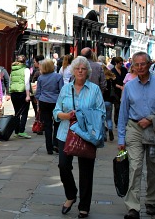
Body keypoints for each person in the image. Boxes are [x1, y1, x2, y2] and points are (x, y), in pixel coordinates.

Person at [117, 51, 155, 219]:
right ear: (132, 66)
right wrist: (121, 138)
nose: (140, 67)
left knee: (154, 168)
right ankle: (133, 207)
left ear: (149, 64)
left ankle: (151, 201)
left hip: (154, 130)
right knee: (135, 167)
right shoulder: (129, 86)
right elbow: (123, 113)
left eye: (143, 64)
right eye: (137, 64)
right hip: (134, 129)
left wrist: (150, 119)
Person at [54, 56, 105, 218]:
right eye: (77, 68)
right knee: (63, 166)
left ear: (88, 71)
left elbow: (101, 112)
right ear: (73, 71)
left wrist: (84, 116)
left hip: (86, 134)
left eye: (83, 68)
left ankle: (84, 206)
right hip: (65, 132)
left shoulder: (94, 90)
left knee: (86, 171)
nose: (80, 71)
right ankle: (71, 195)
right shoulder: (65, 89)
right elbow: (56, 112)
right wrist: (66, 115)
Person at [35, 58, 64, 154]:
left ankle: (49, 147)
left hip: (44, 102)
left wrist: (38, 103)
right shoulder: (58, 77)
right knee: (57, 124)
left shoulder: (40, 78)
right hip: (56, 102)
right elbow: (62, 91)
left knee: (47, 125)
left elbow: (38, 93)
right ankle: (56, 143)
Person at [8, 55, 32, 139]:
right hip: (22, 92)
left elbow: (10, 81)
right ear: (25, 61)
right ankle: (22, 131)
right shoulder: (26, 70)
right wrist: (28, 95)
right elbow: (26, 83)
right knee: (24, 112)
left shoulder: (13, 69)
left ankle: (16, 131)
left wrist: (9, 92)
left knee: (17, 112)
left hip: (14, 92)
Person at [111, 56, 128, 130]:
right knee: (117, 107)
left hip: (124, 90)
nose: (121, 65)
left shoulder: (124, 70)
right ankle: (117, 122)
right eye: (120, 64)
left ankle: (123, 120)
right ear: (116, 63)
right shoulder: (112, 71)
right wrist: (120, 87)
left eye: (122, 63)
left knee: (124, 106)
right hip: (116, 91)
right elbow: (112, 83)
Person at [102, 65, 118, 141]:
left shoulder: (101, 81)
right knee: (108, 118)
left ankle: (104, 136)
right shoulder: (110, 80)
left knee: (101, 119)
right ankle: (110, 129)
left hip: (101, 102)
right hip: (109, 101)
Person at [30, 55, 45, 130]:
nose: (34, 63)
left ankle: (39, 126)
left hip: (37, 94)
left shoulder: (37, 72)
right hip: (44, 95)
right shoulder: (46, 72)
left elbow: (32, 83)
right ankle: (42, 125)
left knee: (38, 112)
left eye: (34, 62)